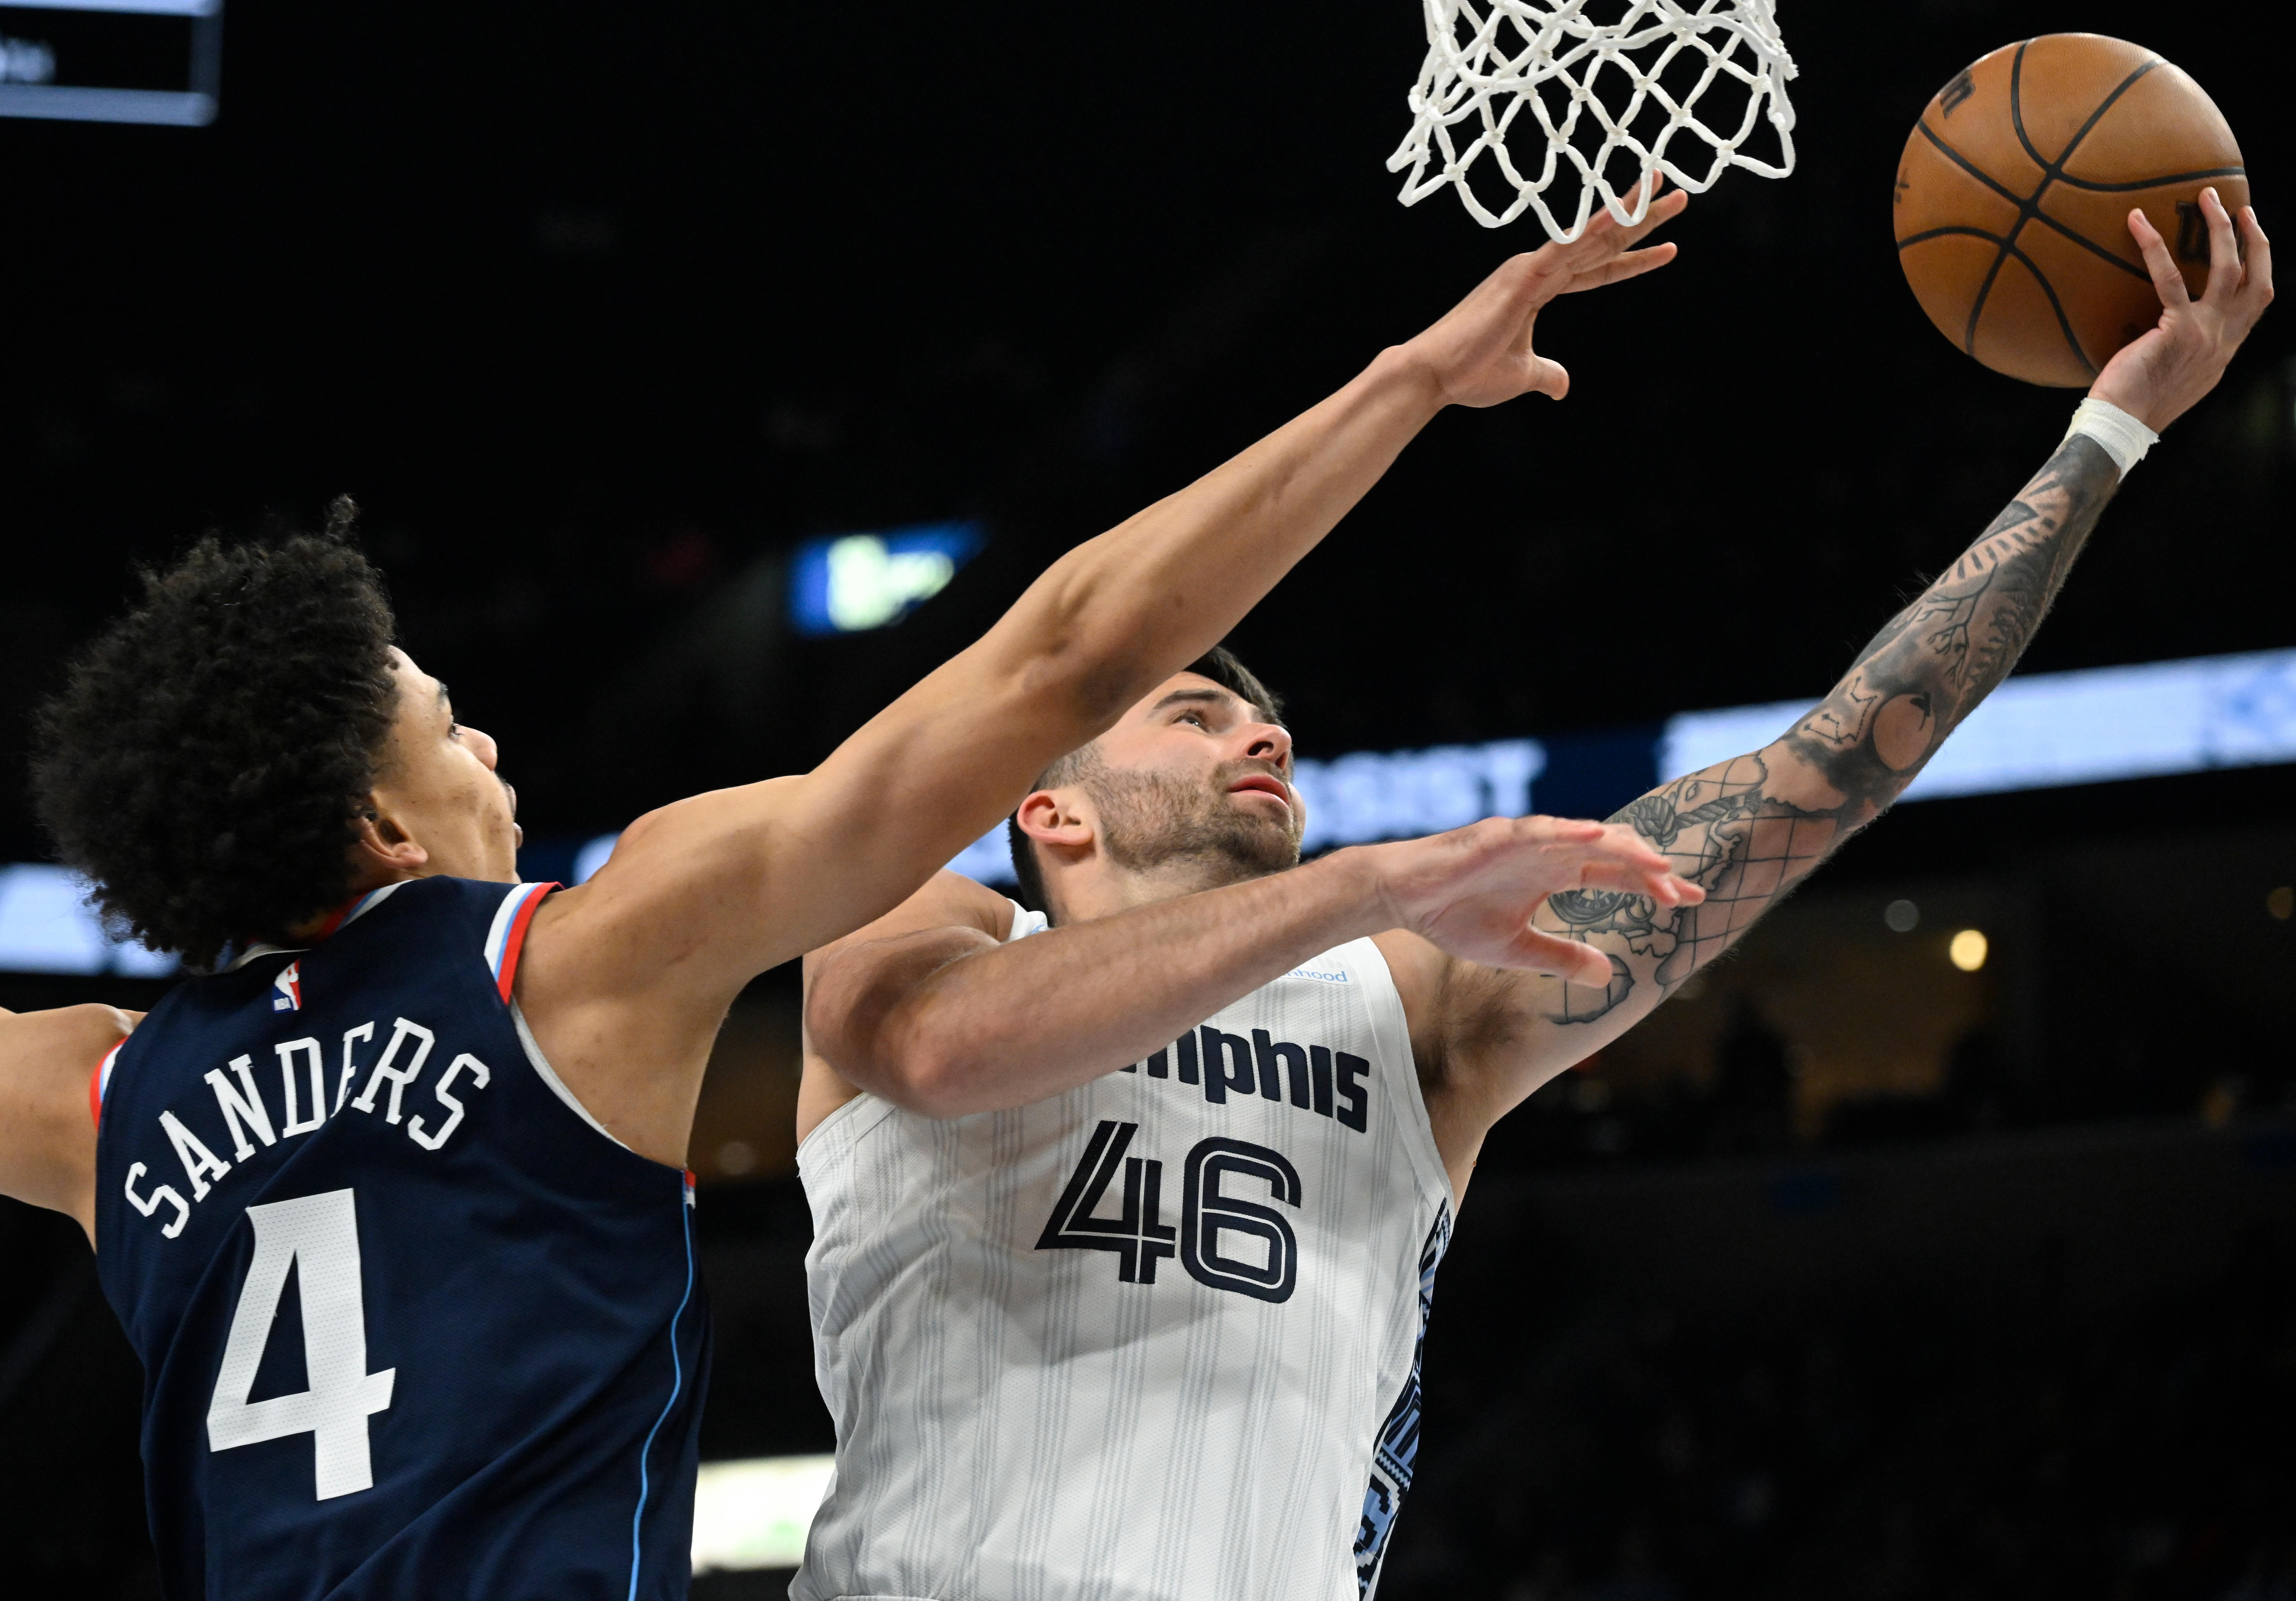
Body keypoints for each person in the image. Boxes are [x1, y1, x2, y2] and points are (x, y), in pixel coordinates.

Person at [0, 188, 1693, 1598]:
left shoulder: (92, 1098)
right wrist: (1400, 386)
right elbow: (1062, 656)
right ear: (386, 833)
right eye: (438, 719)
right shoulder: (570, 966)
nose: (485, 731)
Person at [792, 190, 2273, 1600]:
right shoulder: (916, 919)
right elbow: (947, 1050)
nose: (1264, 732)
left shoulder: (1415, 1006)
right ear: (1044, 808)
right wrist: (1373, 880)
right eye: (1192, 714)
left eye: (1262, 720)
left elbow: (1834, 764)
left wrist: (2111, 432)